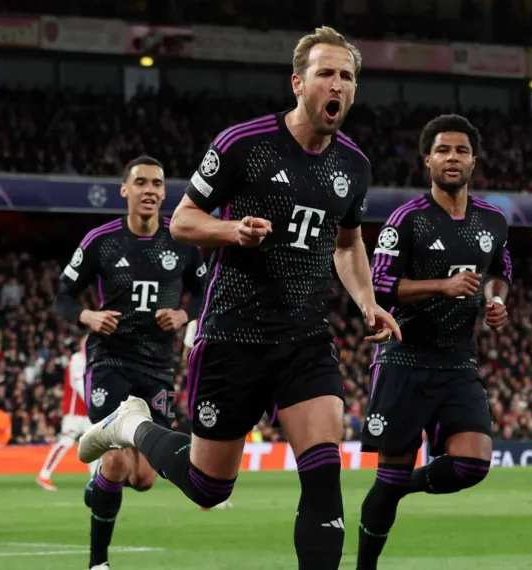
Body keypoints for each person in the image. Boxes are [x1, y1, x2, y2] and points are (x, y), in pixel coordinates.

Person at [78, 27, 399, 570]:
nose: (337, 84)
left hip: (304, 337)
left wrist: (367, 300)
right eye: (326, 73)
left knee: (324, 470)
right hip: (232, 335)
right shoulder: (243, 144)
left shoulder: (355, 167)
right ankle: (130, 424)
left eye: (347, 76)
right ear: (299, 83)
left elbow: (348, 245)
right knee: (208, 487)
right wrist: (232, 232)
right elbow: (181, 221)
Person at [356, 114, 512, 569]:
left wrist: (495, 302)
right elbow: (378, 283)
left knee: (473, 463)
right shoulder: (407, 220)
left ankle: (396, 487)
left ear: (473, 161)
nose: (452, 158)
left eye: (461, 151)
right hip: (405, 358)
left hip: (459, 361)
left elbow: (500, 274)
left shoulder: (494, 220)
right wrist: (440, 286)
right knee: (391, 470)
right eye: (443, 150)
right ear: (427, 159)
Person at [55, 155, 208, 570]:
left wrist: (184, 315)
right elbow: (63, 295)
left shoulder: (182, 242)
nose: (150, 190)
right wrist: (87, 316)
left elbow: (206, 289)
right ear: (125, 190)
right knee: (119, 458)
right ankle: (98, 563)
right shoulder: (101, 240)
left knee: (142, 480)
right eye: (140, 183)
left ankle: (101, 480)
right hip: (111, 361)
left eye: (157, 184)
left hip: (157, 367)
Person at [37, 334, 98, 491]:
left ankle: (95, 481)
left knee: (93, 445)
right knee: (66, 442)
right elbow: (78, 385)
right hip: (74, 412)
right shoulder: (77, 360)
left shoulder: (92, 362)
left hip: (86, 413)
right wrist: (94, 403)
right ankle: (44, 474)